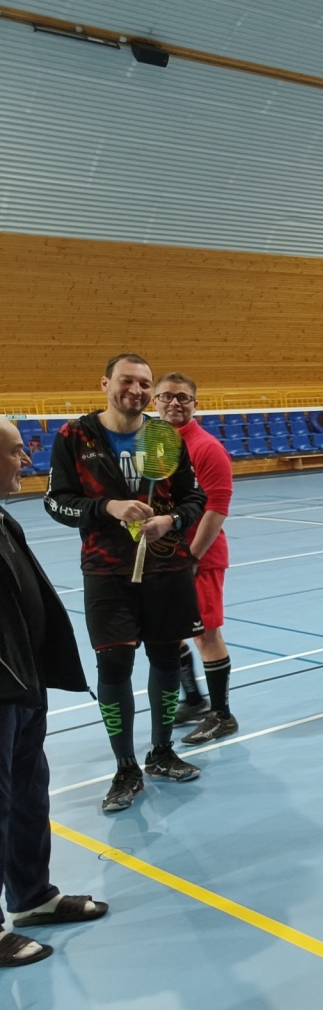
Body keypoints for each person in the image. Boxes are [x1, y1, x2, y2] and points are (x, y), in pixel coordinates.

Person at [44, 354, 208, 813]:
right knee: (114, 666)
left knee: (167, 660)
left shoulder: (164, 436)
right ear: (105, 384)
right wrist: (108, 508)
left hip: (167, 570)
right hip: (106, 573)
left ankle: (161, 751)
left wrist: (171, 520)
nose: (135, 390)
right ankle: (125, 766)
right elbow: (56, 503)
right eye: (126, 381)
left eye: (144, 383)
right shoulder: (74, 436)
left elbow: (195, 498)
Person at [1, 418, 109, 966]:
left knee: (27, 793)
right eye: (16, 451)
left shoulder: (3, 517)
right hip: (3, 688)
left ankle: (32, 898)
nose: (26, 460)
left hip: (23, 684)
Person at [154, 374, 241, 745]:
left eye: (183, 397)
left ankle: (222, 715)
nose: (175, 403)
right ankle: (192, 700)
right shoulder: (155, 443)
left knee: (206, 634)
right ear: (155, 401)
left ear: (195, 404)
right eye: (167, 396)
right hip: (164, 556)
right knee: (169, 633)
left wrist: (192, 556)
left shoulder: (206, 447)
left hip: (198, 557)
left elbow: (217, 508)